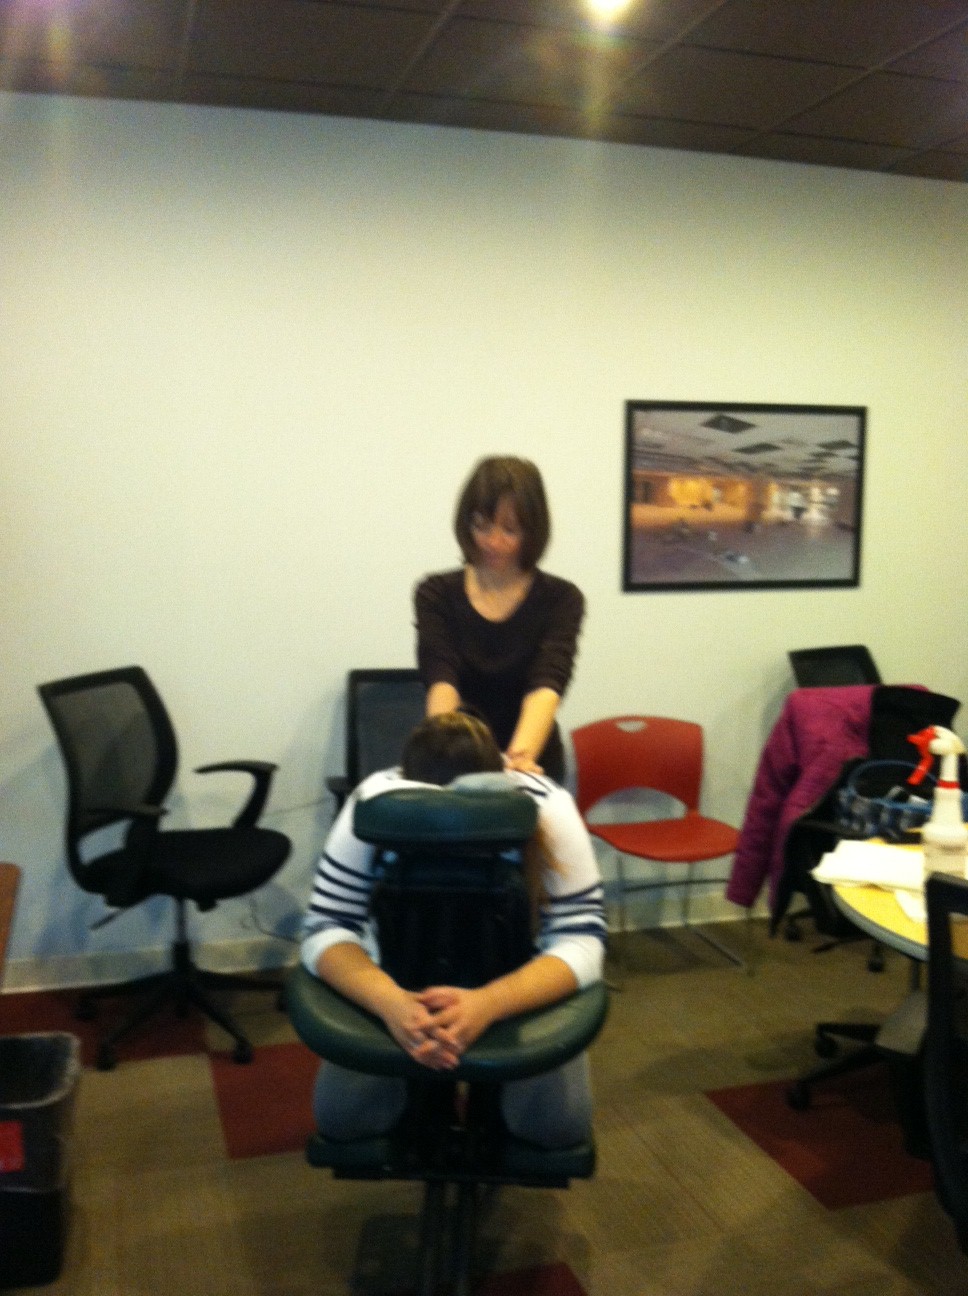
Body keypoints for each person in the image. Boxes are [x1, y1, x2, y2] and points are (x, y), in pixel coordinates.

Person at [301, 711, 606, 1150]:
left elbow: (582, 938)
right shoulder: (373, 805)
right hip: (397, 976)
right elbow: (327, 925)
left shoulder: (546, 806)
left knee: (555, 1131)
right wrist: (390, 1003)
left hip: (517, 978)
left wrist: (490, 1003)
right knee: (344, 1123)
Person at [414, 456, 584, 782]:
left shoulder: (561, 599)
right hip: (460, 759)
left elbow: (546, 685)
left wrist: (519, 760)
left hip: (532, 761)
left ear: (533, 530)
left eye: (510, 529)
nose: (493, 542)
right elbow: (442, 680)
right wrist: (443, 754)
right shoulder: (436, 594)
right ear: (466, 522)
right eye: (482, 525)